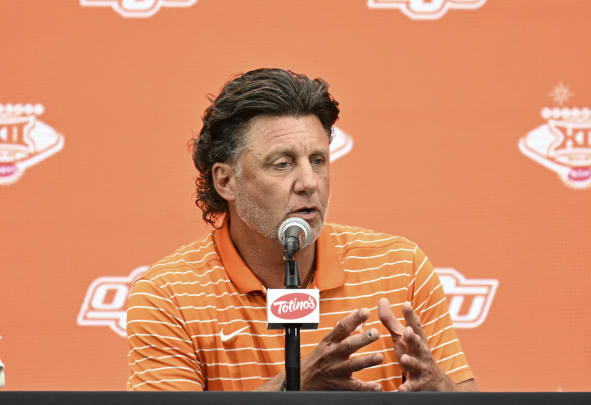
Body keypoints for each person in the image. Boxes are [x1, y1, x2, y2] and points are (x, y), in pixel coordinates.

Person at [126, 68, 477, 392]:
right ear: (226, 181)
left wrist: (440, 391)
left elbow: (463, 395)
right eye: (283, 164)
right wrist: (295, 386)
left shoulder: (401, 268)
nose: (309, 183)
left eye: (319, 160)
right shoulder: (168, 295)